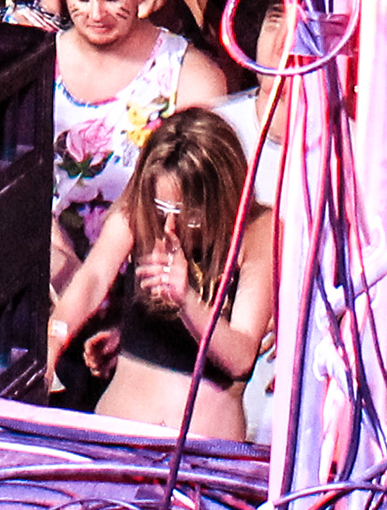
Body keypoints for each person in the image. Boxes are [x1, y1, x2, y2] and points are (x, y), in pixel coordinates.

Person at [46, 108, 274, 439]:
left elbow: (240, 357)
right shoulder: (139, 208)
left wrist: (187, 300)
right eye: (162, 208)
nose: (170, 225)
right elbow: (94, 276)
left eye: (186, 213)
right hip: (120, 436)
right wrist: (54, 338)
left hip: (202, 451)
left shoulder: (257, 231)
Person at [50, 0, 234, 268]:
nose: (96, 13)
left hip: (150, 280)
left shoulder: (191, 76)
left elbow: (201, 205)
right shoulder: (35, 65)